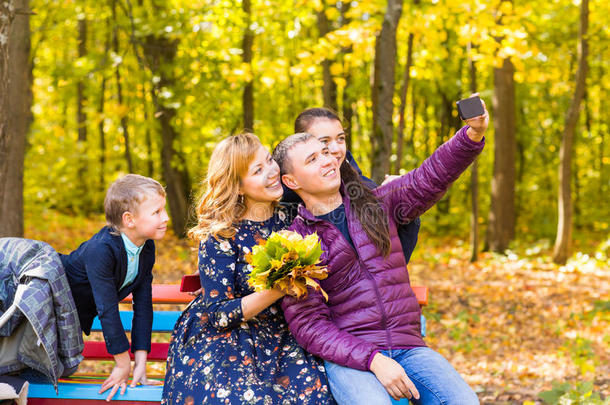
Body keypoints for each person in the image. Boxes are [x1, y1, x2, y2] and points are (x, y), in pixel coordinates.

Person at [272, 106, 488, 405]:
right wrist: (373, 360)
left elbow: (430, 175)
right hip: (350, 357)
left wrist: (472, 134)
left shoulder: (378, 202)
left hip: (408, 346)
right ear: (292, 182)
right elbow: (310, 326)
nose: (328, 160)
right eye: (312, 159)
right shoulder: (292, 244)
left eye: (326, 152)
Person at [161, 133, 334, 404]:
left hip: (285, 334)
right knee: (238, 397)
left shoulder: (294, 216)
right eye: (257, 170)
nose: (271, 172)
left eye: (269, 161)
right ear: (238, 186)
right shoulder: (222, 234)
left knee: (314, 394)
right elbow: (219, 314)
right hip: (228, 337)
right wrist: (280, 288)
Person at [60, 174, 169, 401]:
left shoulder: (146, 248)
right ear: (129, 220)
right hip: (51, 307)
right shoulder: (101, 249)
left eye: (164, 210)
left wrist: (140, 364)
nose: (166, 217)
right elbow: (107, 308)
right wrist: (122, 363)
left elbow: (143, 306)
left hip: (70, 319)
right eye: (156, 212)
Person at [290, 108, 420, 264]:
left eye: (340, 139)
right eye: (324, 142)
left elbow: (393, 261)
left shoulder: (366, 189)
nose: (337, 149)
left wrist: (401, 199)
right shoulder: (286, 199)